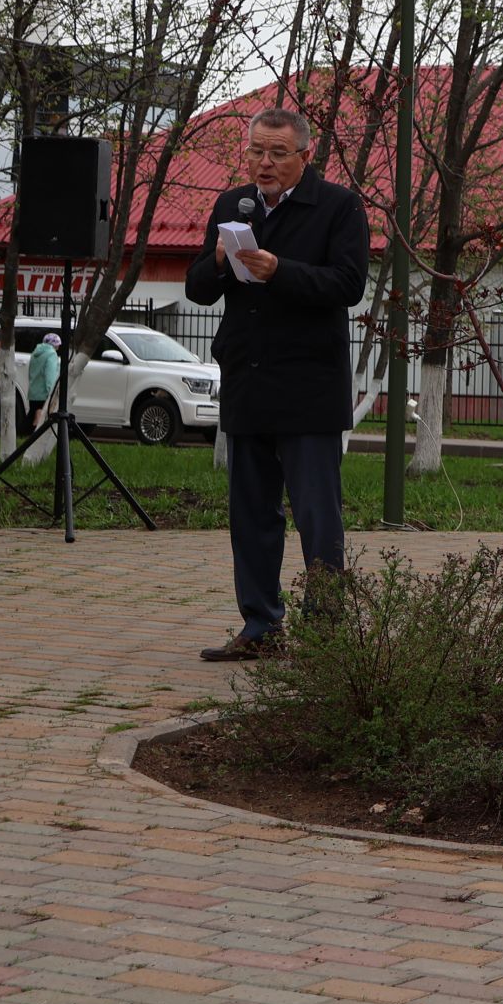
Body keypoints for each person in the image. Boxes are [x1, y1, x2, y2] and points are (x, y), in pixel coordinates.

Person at [185, 108, 368, 661]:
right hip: (248, 383)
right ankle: (259, 628)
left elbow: (349, 284)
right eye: (256, 152)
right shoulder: (232, 206)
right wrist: (219, 261)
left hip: (308, 389)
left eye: (277, 154)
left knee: (318, 516)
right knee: (251, 517)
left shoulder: (338, 206)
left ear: (304, 156)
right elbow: (197, 289)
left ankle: (326, 637)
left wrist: (278, 270)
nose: (264, 164)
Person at [26, 331, 61, 428]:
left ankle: (23, 434)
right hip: (44, 392)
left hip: (33, 392)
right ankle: (30, 434)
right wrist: (52, 391)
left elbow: (30, 372)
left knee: (32, 414)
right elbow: (50, 375)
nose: (59, 347)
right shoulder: (51, 354)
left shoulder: (35, 353)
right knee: (40, 417)